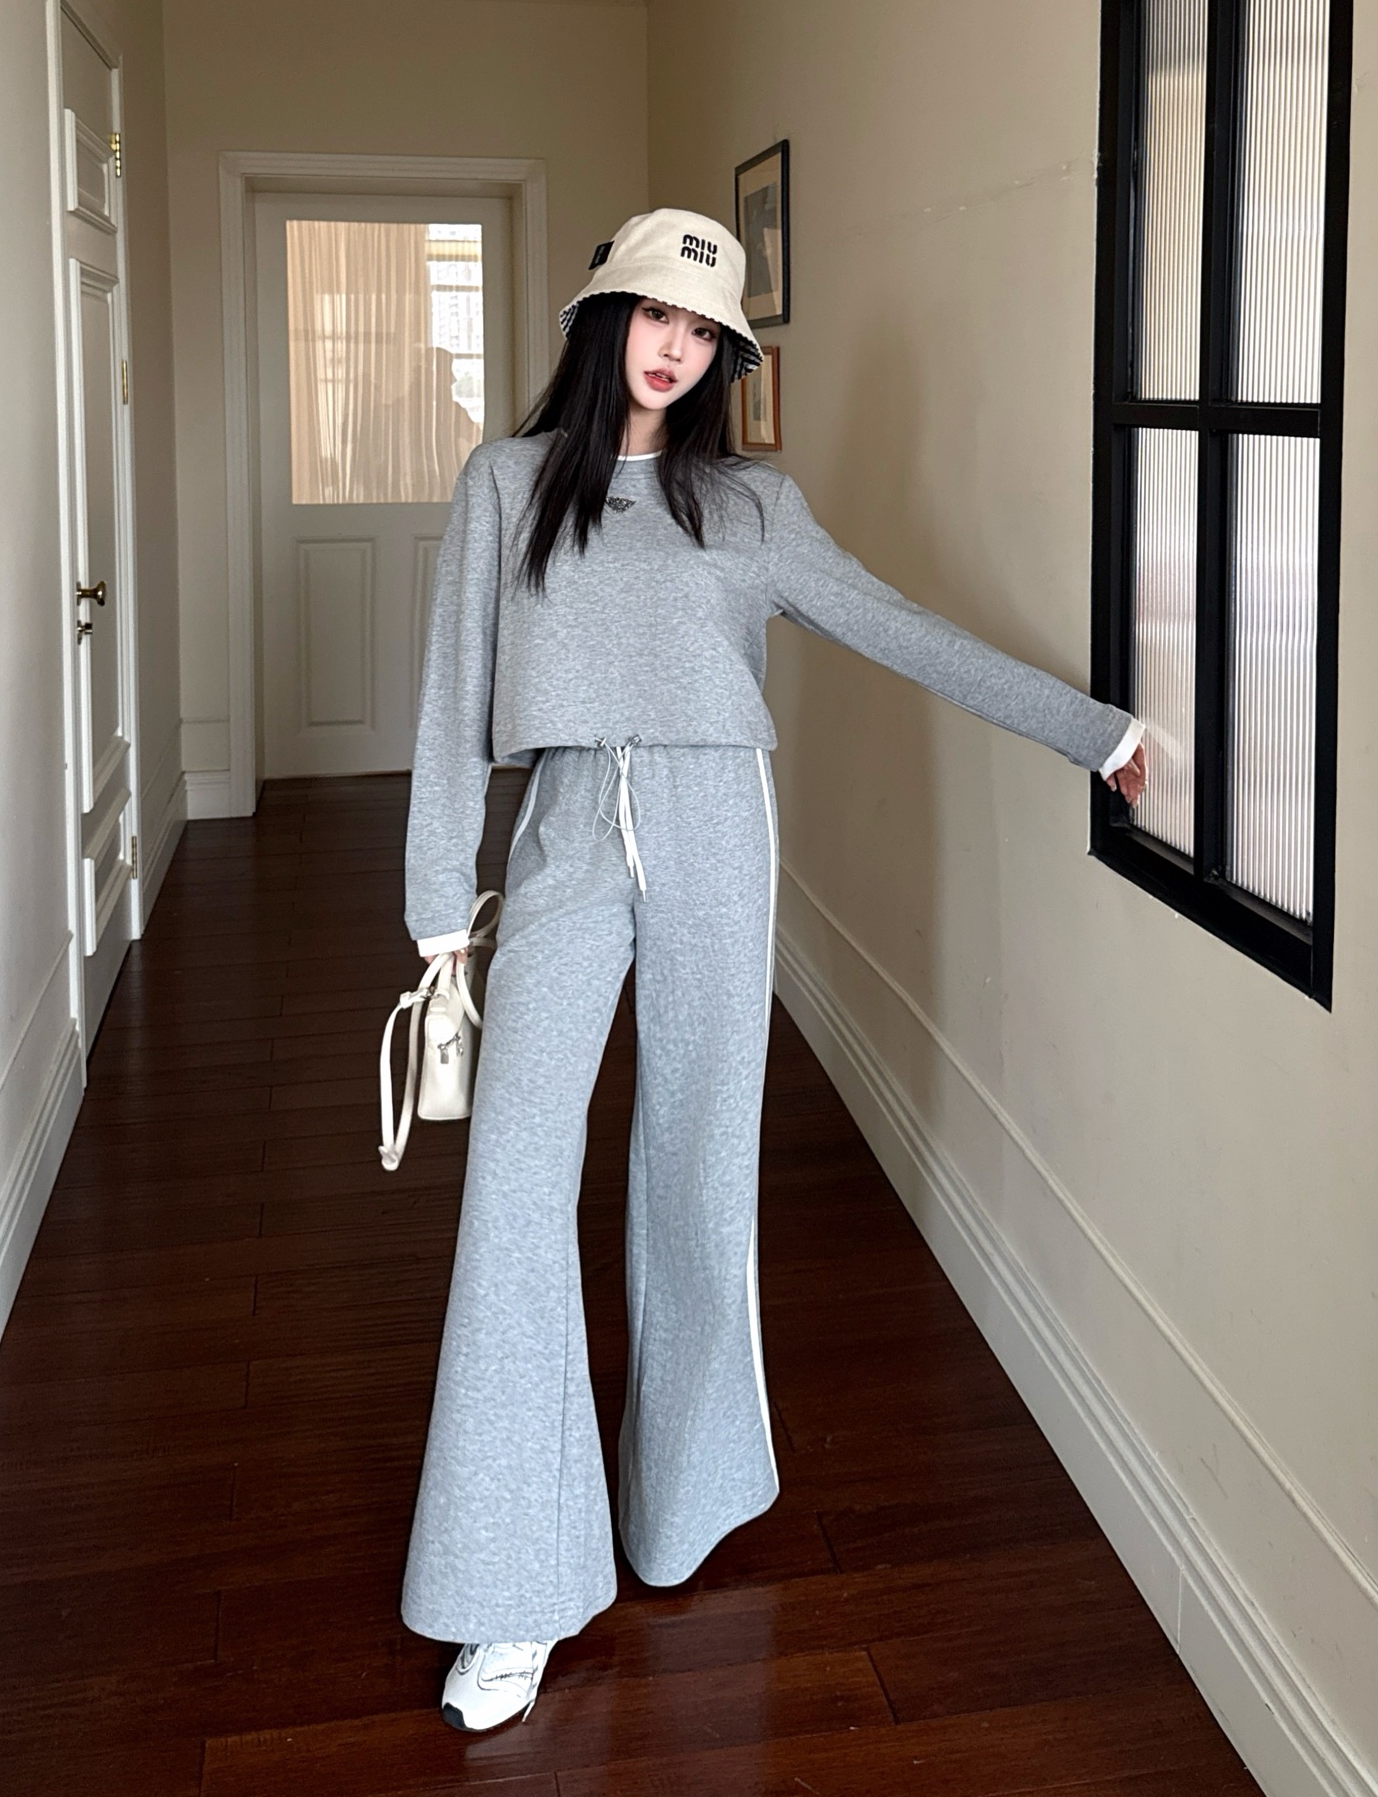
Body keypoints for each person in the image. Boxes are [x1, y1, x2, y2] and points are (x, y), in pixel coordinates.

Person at [398, 207, 1147, 1732]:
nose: (674, 349)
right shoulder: (504, 485)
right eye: (653, 316)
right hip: (563, 835)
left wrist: (1098, 732)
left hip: (718, 832)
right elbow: (447, 702)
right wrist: (435, 913)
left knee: (698, 1169)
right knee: (515, 1191)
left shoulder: (753, 508)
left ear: (725, 356)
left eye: (704, 332)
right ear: (601, 321)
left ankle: (677, 1507)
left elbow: (899, 629)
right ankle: (512, 1585)